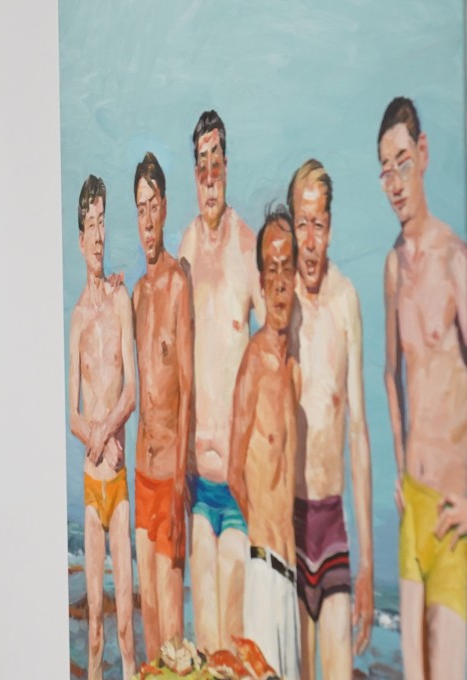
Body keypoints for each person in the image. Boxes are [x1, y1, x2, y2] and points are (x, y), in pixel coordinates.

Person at [378, 96, 467, 680]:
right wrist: (397, 462)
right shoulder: (391, 267)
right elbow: (390, 373)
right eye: (385, 169)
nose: (395, 182)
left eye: (403, 162)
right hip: (413, 504)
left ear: (425, 154)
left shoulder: (456, 260)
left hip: (454, 516)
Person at [177, 110, 264, 652]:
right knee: (204, 641)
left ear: (227, 167)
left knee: (234, 642)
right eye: (201, 165)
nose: (209, 175)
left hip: (237, 481)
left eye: (216, 162)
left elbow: (272, 349)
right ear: (195, 173)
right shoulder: (184, 246)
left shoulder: (247, 247)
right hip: (195, 479)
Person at [286, 159, 374, 679]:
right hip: (288, 524)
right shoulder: (281, 304)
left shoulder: (346, 303)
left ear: (331, 227)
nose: (311, 238)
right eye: (302, 223)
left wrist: (367, 563)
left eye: (319, 224)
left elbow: (359, 432)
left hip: (334, 527)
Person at [227, 207, 301, 680]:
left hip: (290, 577)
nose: (278, 282)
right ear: (260, 278)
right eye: (269, 269)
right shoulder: (254, 360)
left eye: (286, 268)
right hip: (264, 569)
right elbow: (236, 469)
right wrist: (262, 541)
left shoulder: (295, 362)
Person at [68, 175, 137, 679]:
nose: (97, 236)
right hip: (93, 487)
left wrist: (111, 429)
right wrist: (97, 436)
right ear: (78, 238)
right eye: (89, 225)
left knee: (127, 627)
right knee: (94, 625)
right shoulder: (76, 319)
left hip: (120, 483)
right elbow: (69, 411)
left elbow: (132, 389)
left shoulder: (120, 302)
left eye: (102, 223)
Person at [130, 152, 192, 659]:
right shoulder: (136, 296)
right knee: (149, 626)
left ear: (166, 209)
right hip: (141, 473)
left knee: (173, 633)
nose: (147, 220)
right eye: (139, 209)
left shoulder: (177, 285)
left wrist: (181, 483)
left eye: (153, 206)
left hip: (171, 473)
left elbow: (186, 388)